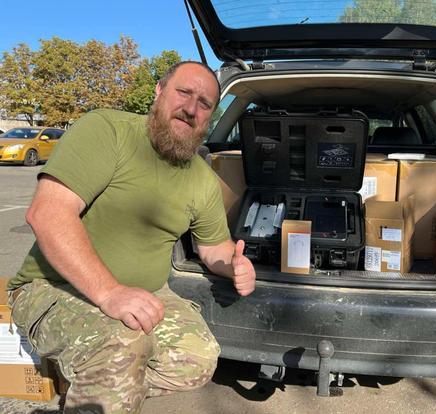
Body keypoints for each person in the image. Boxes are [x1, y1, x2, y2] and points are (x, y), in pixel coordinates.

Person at [7, 61, 256, 413]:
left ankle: (96, 388)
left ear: (210, 117)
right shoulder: (107, 130)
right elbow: (48, 213)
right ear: (159, 91)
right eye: (184, 92)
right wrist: (110, 293)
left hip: (146, 293)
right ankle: (102, 384)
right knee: (121, 348)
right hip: (52, 287)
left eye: (204, 104)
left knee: (197, 359)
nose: (191, 109)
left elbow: (213, 246)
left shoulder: (201, 178)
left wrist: (234, 265)